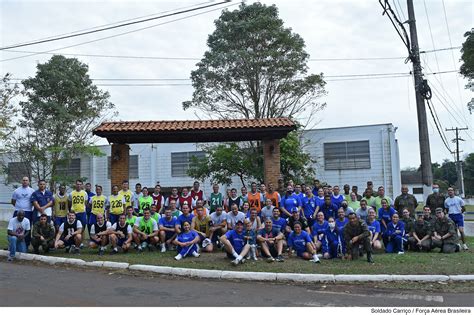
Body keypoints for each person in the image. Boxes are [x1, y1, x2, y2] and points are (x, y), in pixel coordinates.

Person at [11, 176, 35, 247]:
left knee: (27, 228)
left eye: (26, 180)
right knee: (15, 227)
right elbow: (13, 201)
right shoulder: (16, 191)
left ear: (29, 182)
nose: (25, 181)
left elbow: (33, 202)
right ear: (21, 181)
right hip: (18, 211)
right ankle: (14, 243)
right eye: (23, 180)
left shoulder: (32, 191)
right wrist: (19, 207)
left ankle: (26, 244)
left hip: (28, 212)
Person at [69, 179, 88, 243]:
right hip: (74, 213)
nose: (79, 186)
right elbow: (70, 203)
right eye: (77, 184)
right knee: (74, 227)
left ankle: (81, 241)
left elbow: (85, 202)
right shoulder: (71, 193)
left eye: (80, 184)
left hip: (82, 212)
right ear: (75, 185)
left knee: (83, 226)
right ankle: (74, 241)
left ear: (82, 185)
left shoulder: (84, 193)